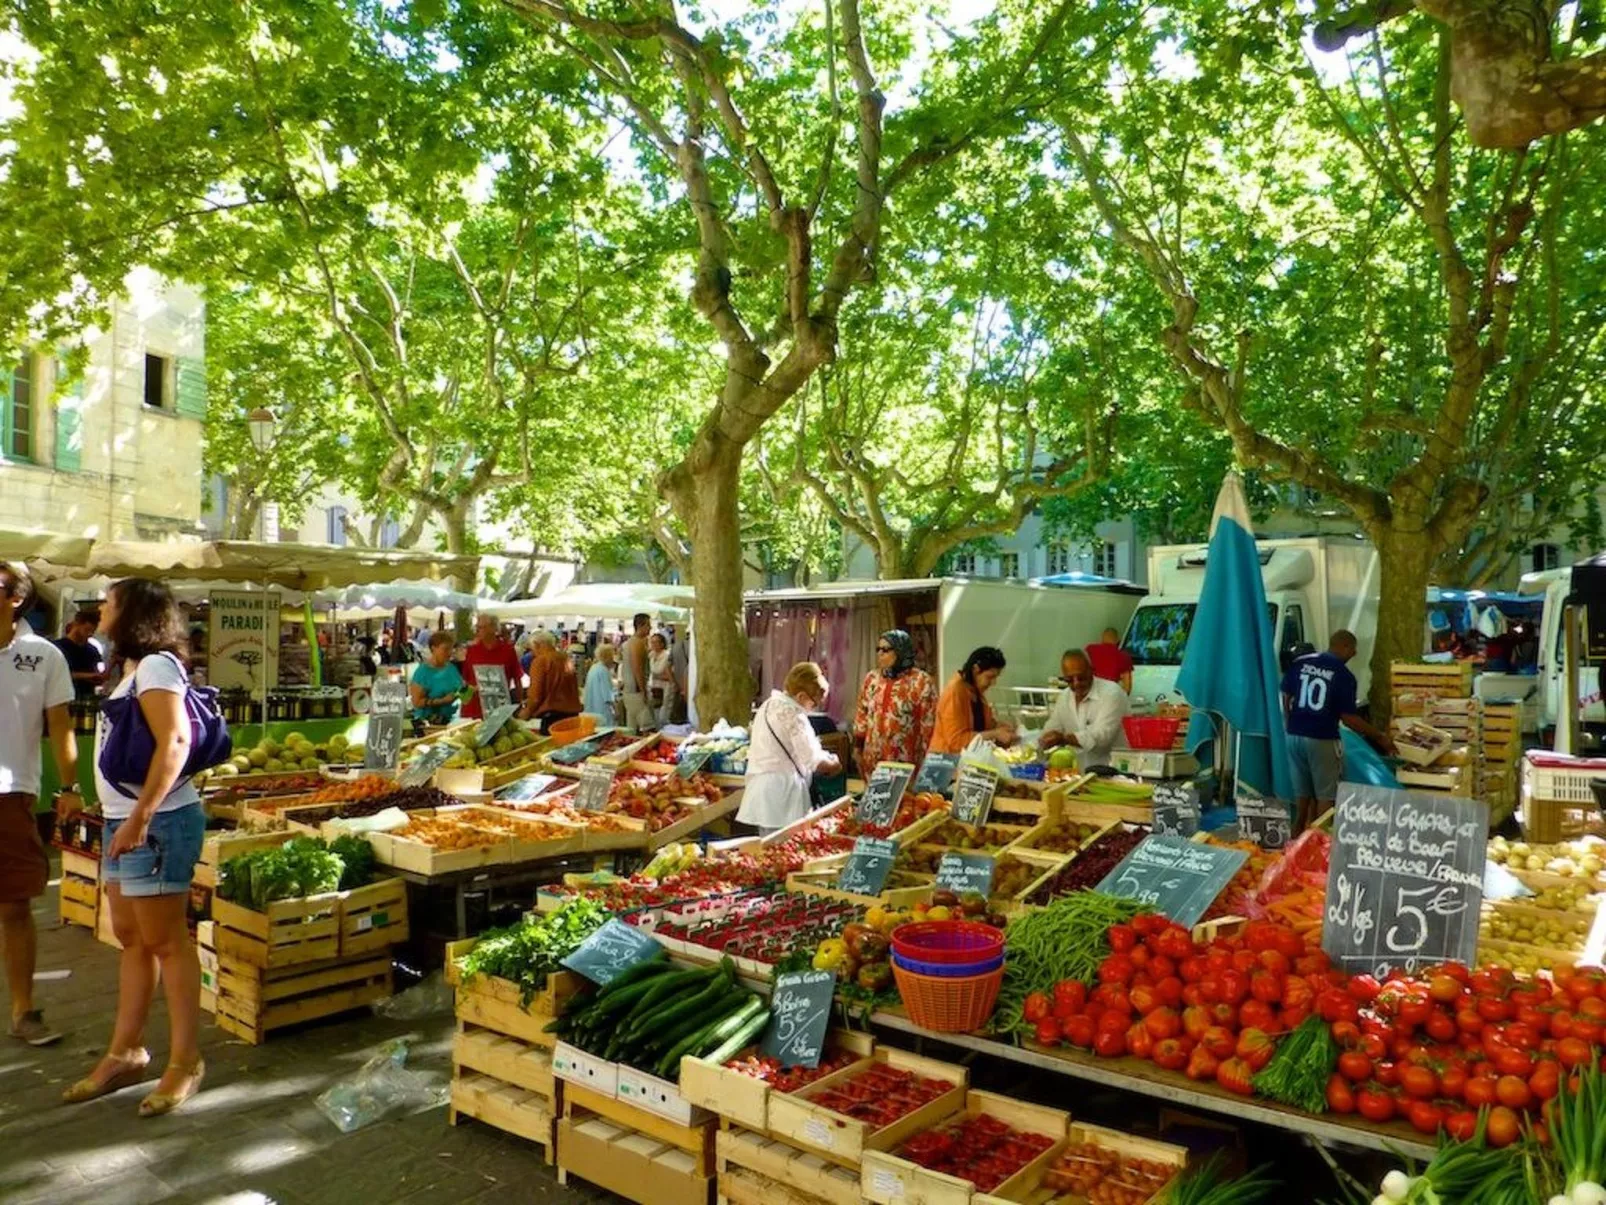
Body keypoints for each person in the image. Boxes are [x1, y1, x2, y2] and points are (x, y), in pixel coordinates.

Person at [66, 577, 207, 1114]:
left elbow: (176, 741)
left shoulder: (156, 666)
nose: (101, 609)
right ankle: (126, 1051)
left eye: (109, 602)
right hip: (123, 821)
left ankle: (186, 1061)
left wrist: (141, 816)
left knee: (167, 941)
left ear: (134, 613)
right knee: (132, 937)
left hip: (157, 823)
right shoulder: (129, 667)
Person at [0, 561, 76, 1047]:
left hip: (11, 794)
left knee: (14, 906)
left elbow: (61, 726)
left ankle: (23, 1010)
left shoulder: (44, 655)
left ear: (15, 598)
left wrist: (70, 787)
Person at [1282, 629, 1397, 833]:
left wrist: (1290, 721)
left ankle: (1296, 832)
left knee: (1301, 791)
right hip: (1322, 738)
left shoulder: (1302, 662)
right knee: (1326, 795)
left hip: (1294, 736)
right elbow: (1349, 718)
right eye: (1353, 649)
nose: (1354, 654)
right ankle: (1320, 840)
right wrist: (1379, 737)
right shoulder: (1344, 676)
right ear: (1344, 646)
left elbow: (1286, 696)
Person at [737, 663, 842, 836]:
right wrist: (834, 764)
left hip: (761, 790)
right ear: (801, 696)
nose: (813, 708)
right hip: (784, 795)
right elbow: (813, 761)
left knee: (768, 844)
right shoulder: (794, 716)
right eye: (814, 703)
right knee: (787, 845)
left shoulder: (767, 705)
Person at [852, 630, 937, 775]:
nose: (880, 653)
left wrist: (929, 764)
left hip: (906, 765)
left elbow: (929, 725)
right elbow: (862, 715)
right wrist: (857, 748)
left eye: (885, 649)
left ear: (901, 651)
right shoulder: (871, 679)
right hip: (873, 763)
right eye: (878, 649)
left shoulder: (921, 681)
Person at [1041, 648, 1130, 769]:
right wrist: (1042, 740)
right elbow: (1052, 727)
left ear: (1092, 671)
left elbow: (1102, 736)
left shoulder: (1112, 693)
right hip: (1082, 771)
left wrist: (1064, 739)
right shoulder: (1065, 696)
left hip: (1115, 770)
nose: (1076, 683)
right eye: (1069, 680)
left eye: (1081, 677)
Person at [930, 647, 1017, 755]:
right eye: (990, 677)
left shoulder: (975, 691)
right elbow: (956, 741)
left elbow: (981, 725)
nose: (993, 683)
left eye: (996, 677)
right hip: (947, 760)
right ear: (975, 670)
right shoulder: (955, 692)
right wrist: (995, 734)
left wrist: (999, 727)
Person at [460, 615, 524, 719]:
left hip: (499, 708)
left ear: (494, 628)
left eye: (481, 627)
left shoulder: (508, 650)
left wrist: (520, 705)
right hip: (473, 710)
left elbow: (517, 679)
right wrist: (463, 705)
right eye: (477, 627)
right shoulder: (471, 651)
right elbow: (465, 681)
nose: (477, 630)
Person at [520, 630, 582, 732]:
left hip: (551, 718)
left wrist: (526, 712)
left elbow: (535, 696)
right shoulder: (566, 659)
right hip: (573, 716)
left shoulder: (540, 661)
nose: (532, 653)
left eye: (532, 649)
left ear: (537, 645)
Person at [409, 631, 465, 725]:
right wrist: (442, 701)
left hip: (452, 721)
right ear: (433, 648)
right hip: (429, 724)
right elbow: (416, 702)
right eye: (445, 649)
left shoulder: (451, 668)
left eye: (451, 649)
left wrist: (471, 690)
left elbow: (461, 689)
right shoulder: (422, 672)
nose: (449, 653)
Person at [55, 609, 106, 697]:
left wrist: (98, 678)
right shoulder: (58, 647)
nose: (90, 634)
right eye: (87, 630)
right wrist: (87, 676)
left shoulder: (92, 650)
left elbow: (96, 672)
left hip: (87, 696)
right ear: (76, 624)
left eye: (92, 631)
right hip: (64, 696)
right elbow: (56, 674)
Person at [618, 612, 654, 730]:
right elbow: (637, 669)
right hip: (635, 690)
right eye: (648, 625)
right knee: (647, 726)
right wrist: (643, 690)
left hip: (630, 689)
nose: (650, 628)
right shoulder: (636, 643)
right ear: (640, 626)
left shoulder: (632, 643)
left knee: (632, 726)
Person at [1084, 627, 1133, 694]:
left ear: (1102, 638)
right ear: (1117, 640)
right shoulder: (1124, 656)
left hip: (1093, 692)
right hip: (1110, 693)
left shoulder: (1090, 649)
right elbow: (1127, 687)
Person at [583, 643, 619, 721]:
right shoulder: (603, 671)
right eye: (612, 657)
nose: (613, 660)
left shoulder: (593, 668)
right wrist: (616, 709)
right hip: (602, 712)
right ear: (607, 657)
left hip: (590, 710)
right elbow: (608, 695)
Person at [649, 631, 677, 727]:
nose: (653, 644)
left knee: (664, 714)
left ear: (662, 643)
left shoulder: (667, 655)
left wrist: (659, 676)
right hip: (655, 687)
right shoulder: (651, 655)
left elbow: (671, 674)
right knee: (655, 712)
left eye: (656, 642)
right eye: (652, 642)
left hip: (666, 688)